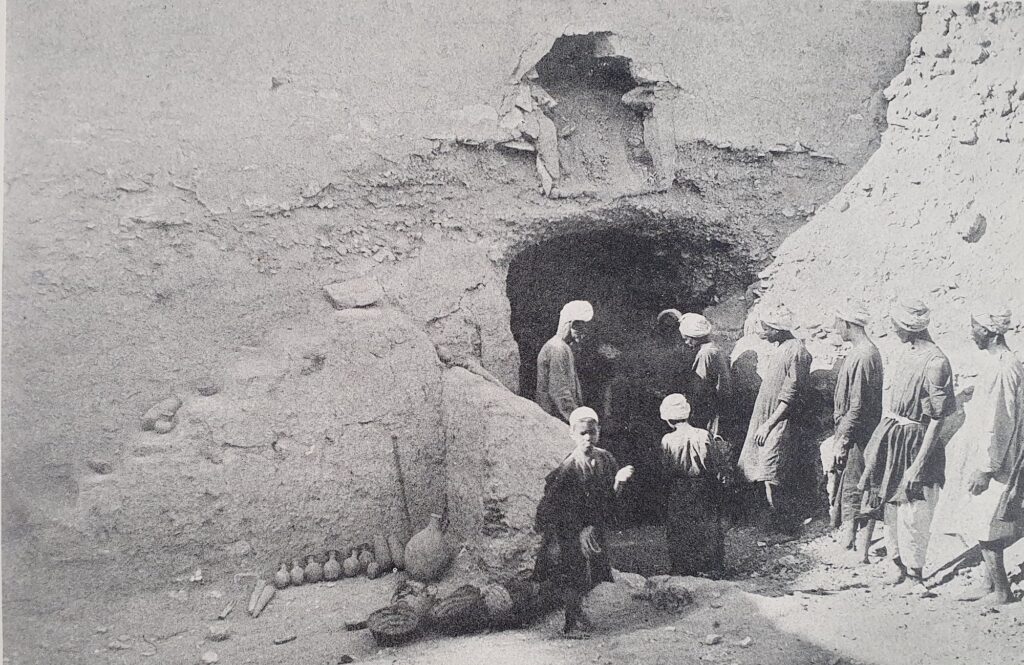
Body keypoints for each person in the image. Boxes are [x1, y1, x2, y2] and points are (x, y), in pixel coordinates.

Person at [859, 298, 956, 588]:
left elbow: (938, 418)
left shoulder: (935, 362)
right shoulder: (904, 352)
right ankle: (896, 563)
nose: (892, 330)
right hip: (894, 439)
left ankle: (915, 572)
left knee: (915, 510)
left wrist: (918, 463)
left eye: (896, 325)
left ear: (909, 327)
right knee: (890, 505)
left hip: (917, 442)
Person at [932, 307, 1024, 604]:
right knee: (983, 520)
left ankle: (1001, 591)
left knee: (987, 524)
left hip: (997, 458)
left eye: (975, 327)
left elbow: (999, 421)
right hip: (993, 453)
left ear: (989, 331)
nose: (972, 333)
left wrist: (986, 468)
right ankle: (989, 584)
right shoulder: (998, 363)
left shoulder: (1002, 367)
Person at [533, 407, 634, 638]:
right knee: (574, 574)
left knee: (594, 573)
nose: (587, 438)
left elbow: (607, 498)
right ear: (572, 435)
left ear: (598, 431)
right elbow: (556, 503)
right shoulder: (570, 466)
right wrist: (578, 530)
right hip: (569, 528)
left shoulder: (605, 459)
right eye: (582, 434)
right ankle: (570, 625)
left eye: (592, 432)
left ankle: (577, 613)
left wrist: (618, 482)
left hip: (591, 526)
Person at [737, 306, 812, 532]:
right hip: (767, 421)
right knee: (764, 472)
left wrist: (769, 425)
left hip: (778, 423)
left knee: (772, 474)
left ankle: (787, 528)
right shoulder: (783, 348)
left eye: (767, 329)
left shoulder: (796, 351)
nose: (763, 333)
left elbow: (791, 394)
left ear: (779, 330)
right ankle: (775, 523)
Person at [831, 303, 884, 559]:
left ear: (848, 325)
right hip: (855, 430)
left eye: (838, 322)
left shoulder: (864, 356)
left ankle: (853, 540)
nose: (835, 327)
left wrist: (843, 438)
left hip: (859, 433)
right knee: (850, 482)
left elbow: (857, 405)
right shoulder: (861, 353)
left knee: (856, 484)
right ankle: (849, 536)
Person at [657, 393, 724, 576]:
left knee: (680, 527)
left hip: (678, 488)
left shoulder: (667, 440)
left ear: (669, 420)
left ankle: (682, 567)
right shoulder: (703, 435)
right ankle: (710, 567)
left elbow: (665, 469)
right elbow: (712, 464)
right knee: (705, 525)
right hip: (702, 486)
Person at [536, 300, 593, 422]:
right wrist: (578, 420)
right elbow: (559, 391)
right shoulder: (558, 349)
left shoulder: (563, 348)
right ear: (567, 324)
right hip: (554, 419)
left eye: (583, 326)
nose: (582, 331)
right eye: (577, 326)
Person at [679, 313, 733, 438]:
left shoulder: (705, 354)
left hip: (711, 407)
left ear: (695, 337)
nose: (686, 343)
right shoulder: (715, 348)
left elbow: (700, 388)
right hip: (719, 405)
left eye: (686, 339)